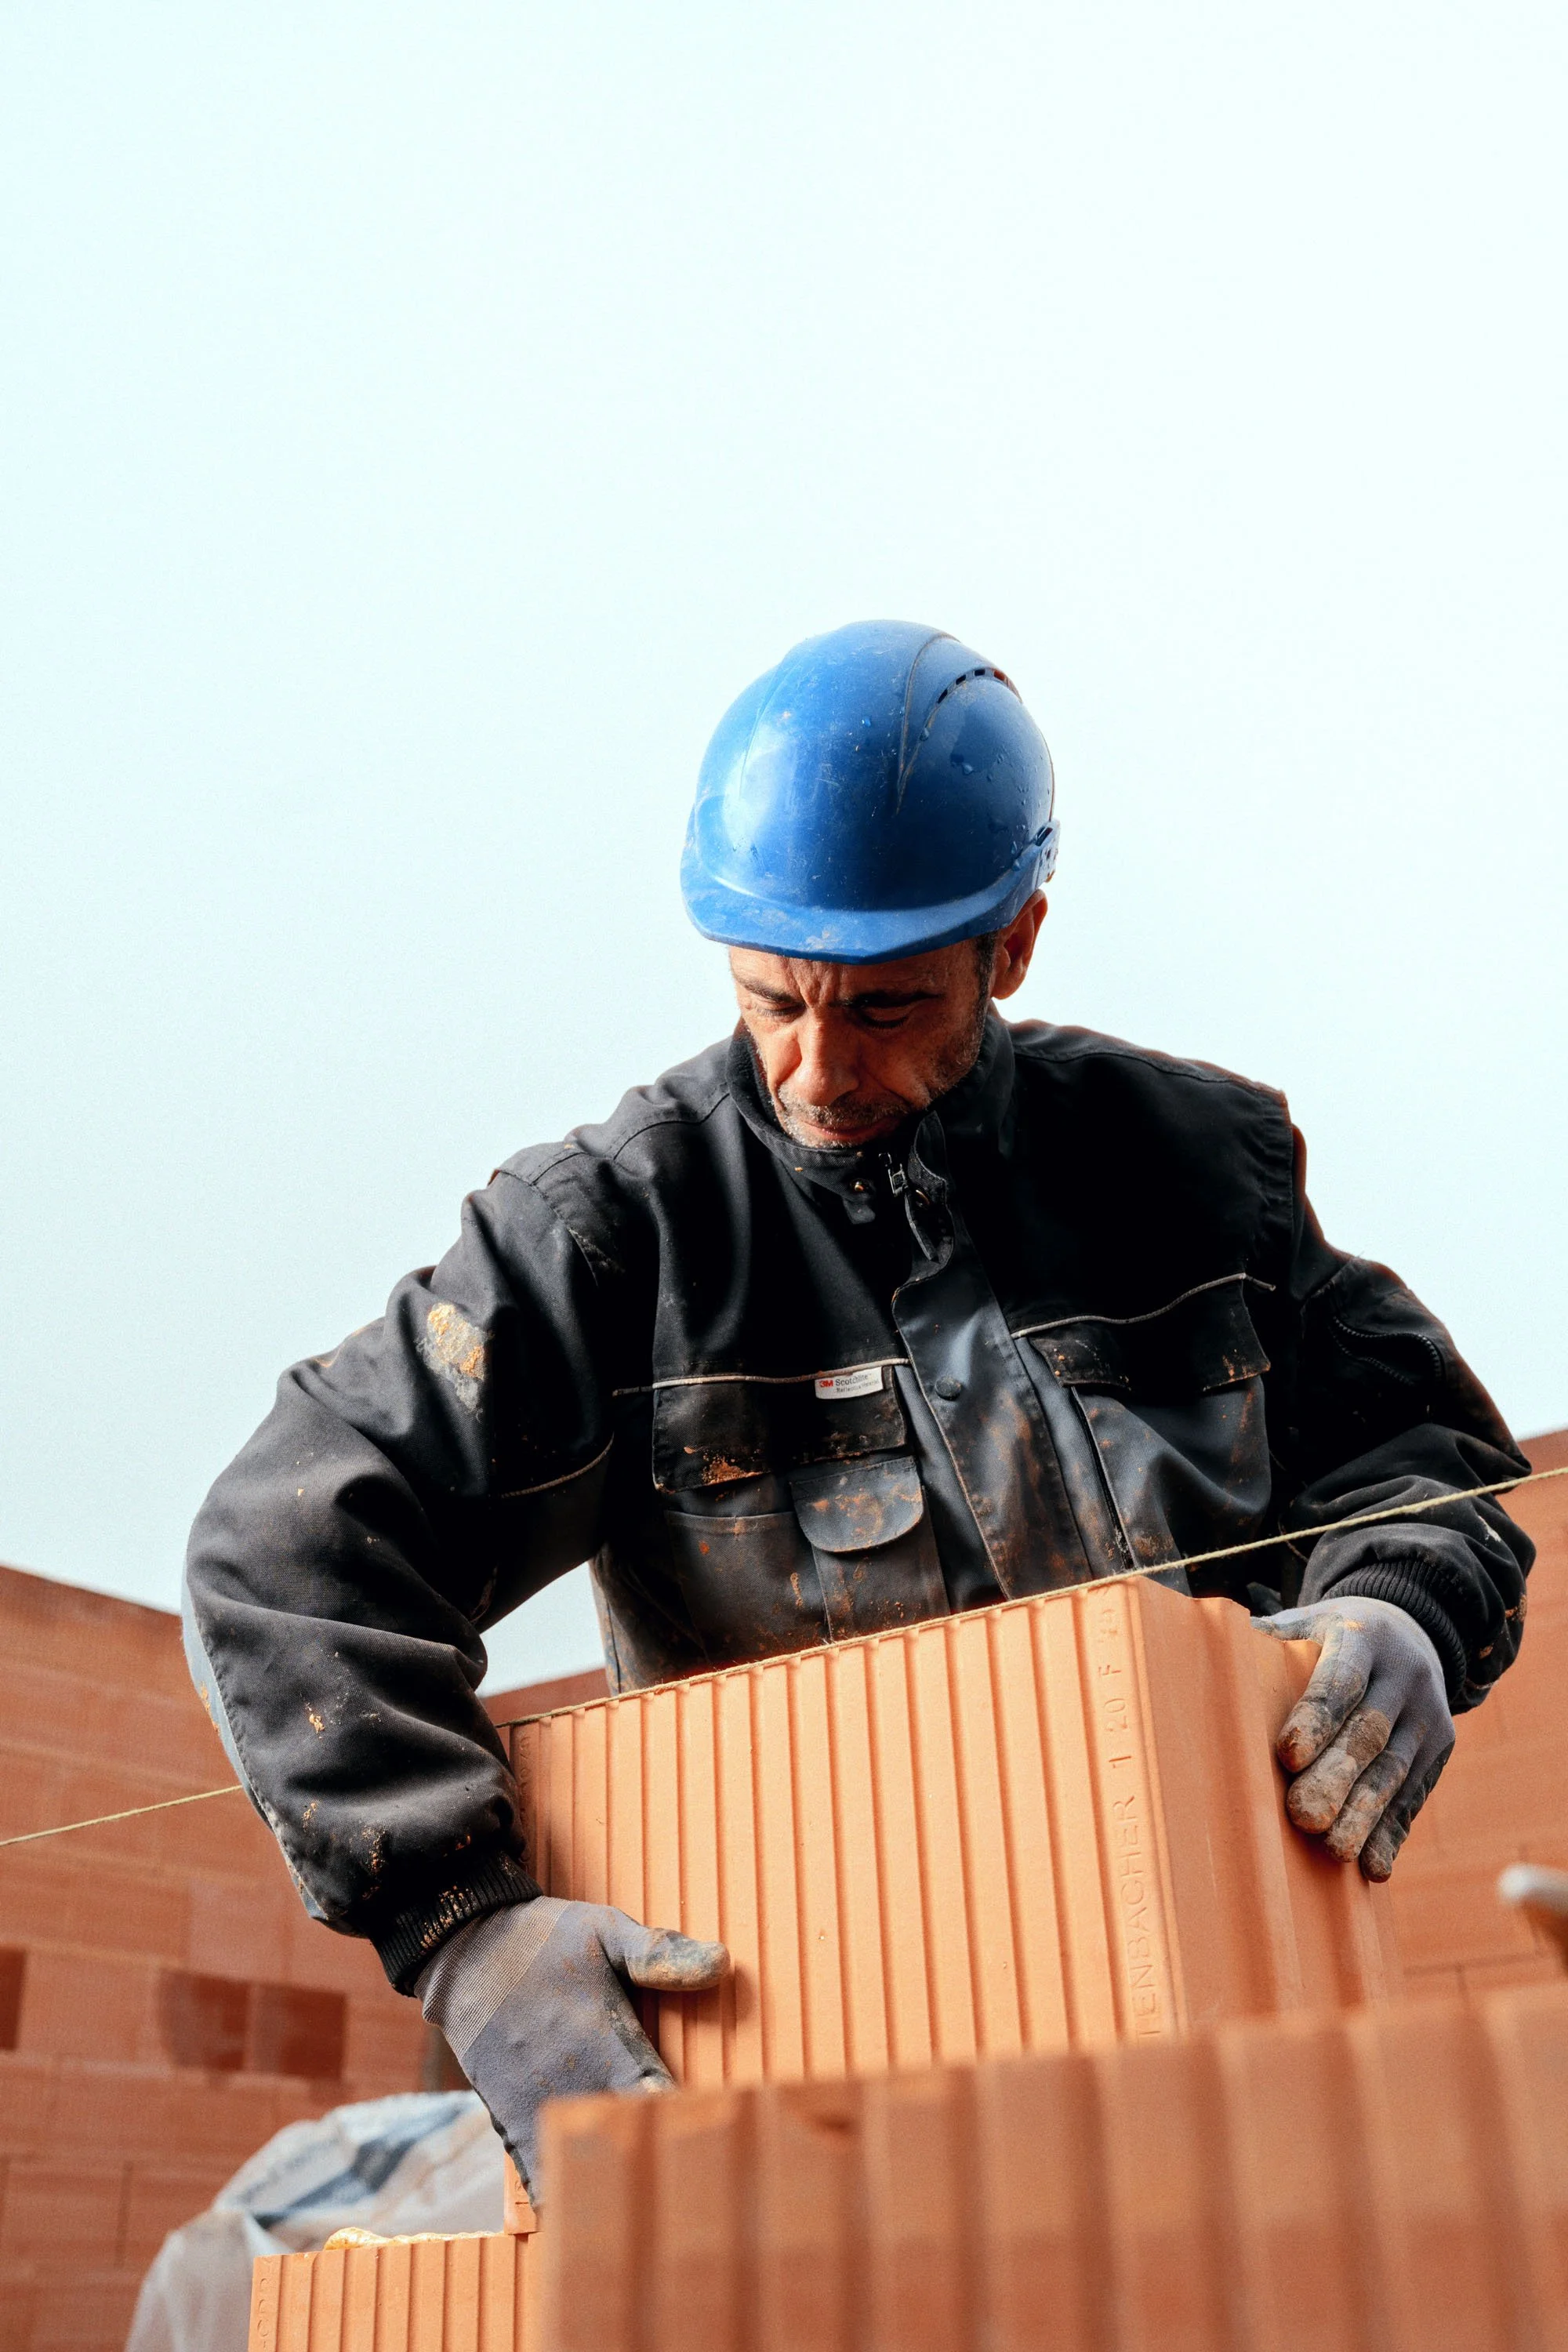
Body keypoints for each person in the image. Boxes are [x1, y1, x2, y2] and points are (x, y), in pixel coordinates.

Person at [186, 619, 1533, 2191]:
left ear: (1012, 944)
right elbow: (287, 1549)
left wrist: (1406, 1604)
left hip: (1196, 2071)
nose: (815, 1070)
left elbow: (1420, 1457)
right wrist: (466, 1927)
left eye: (883, 1011)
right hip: (801, 2066)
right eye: (772, 1002)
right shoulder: (618, 1235)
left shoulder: (1192, 1178)